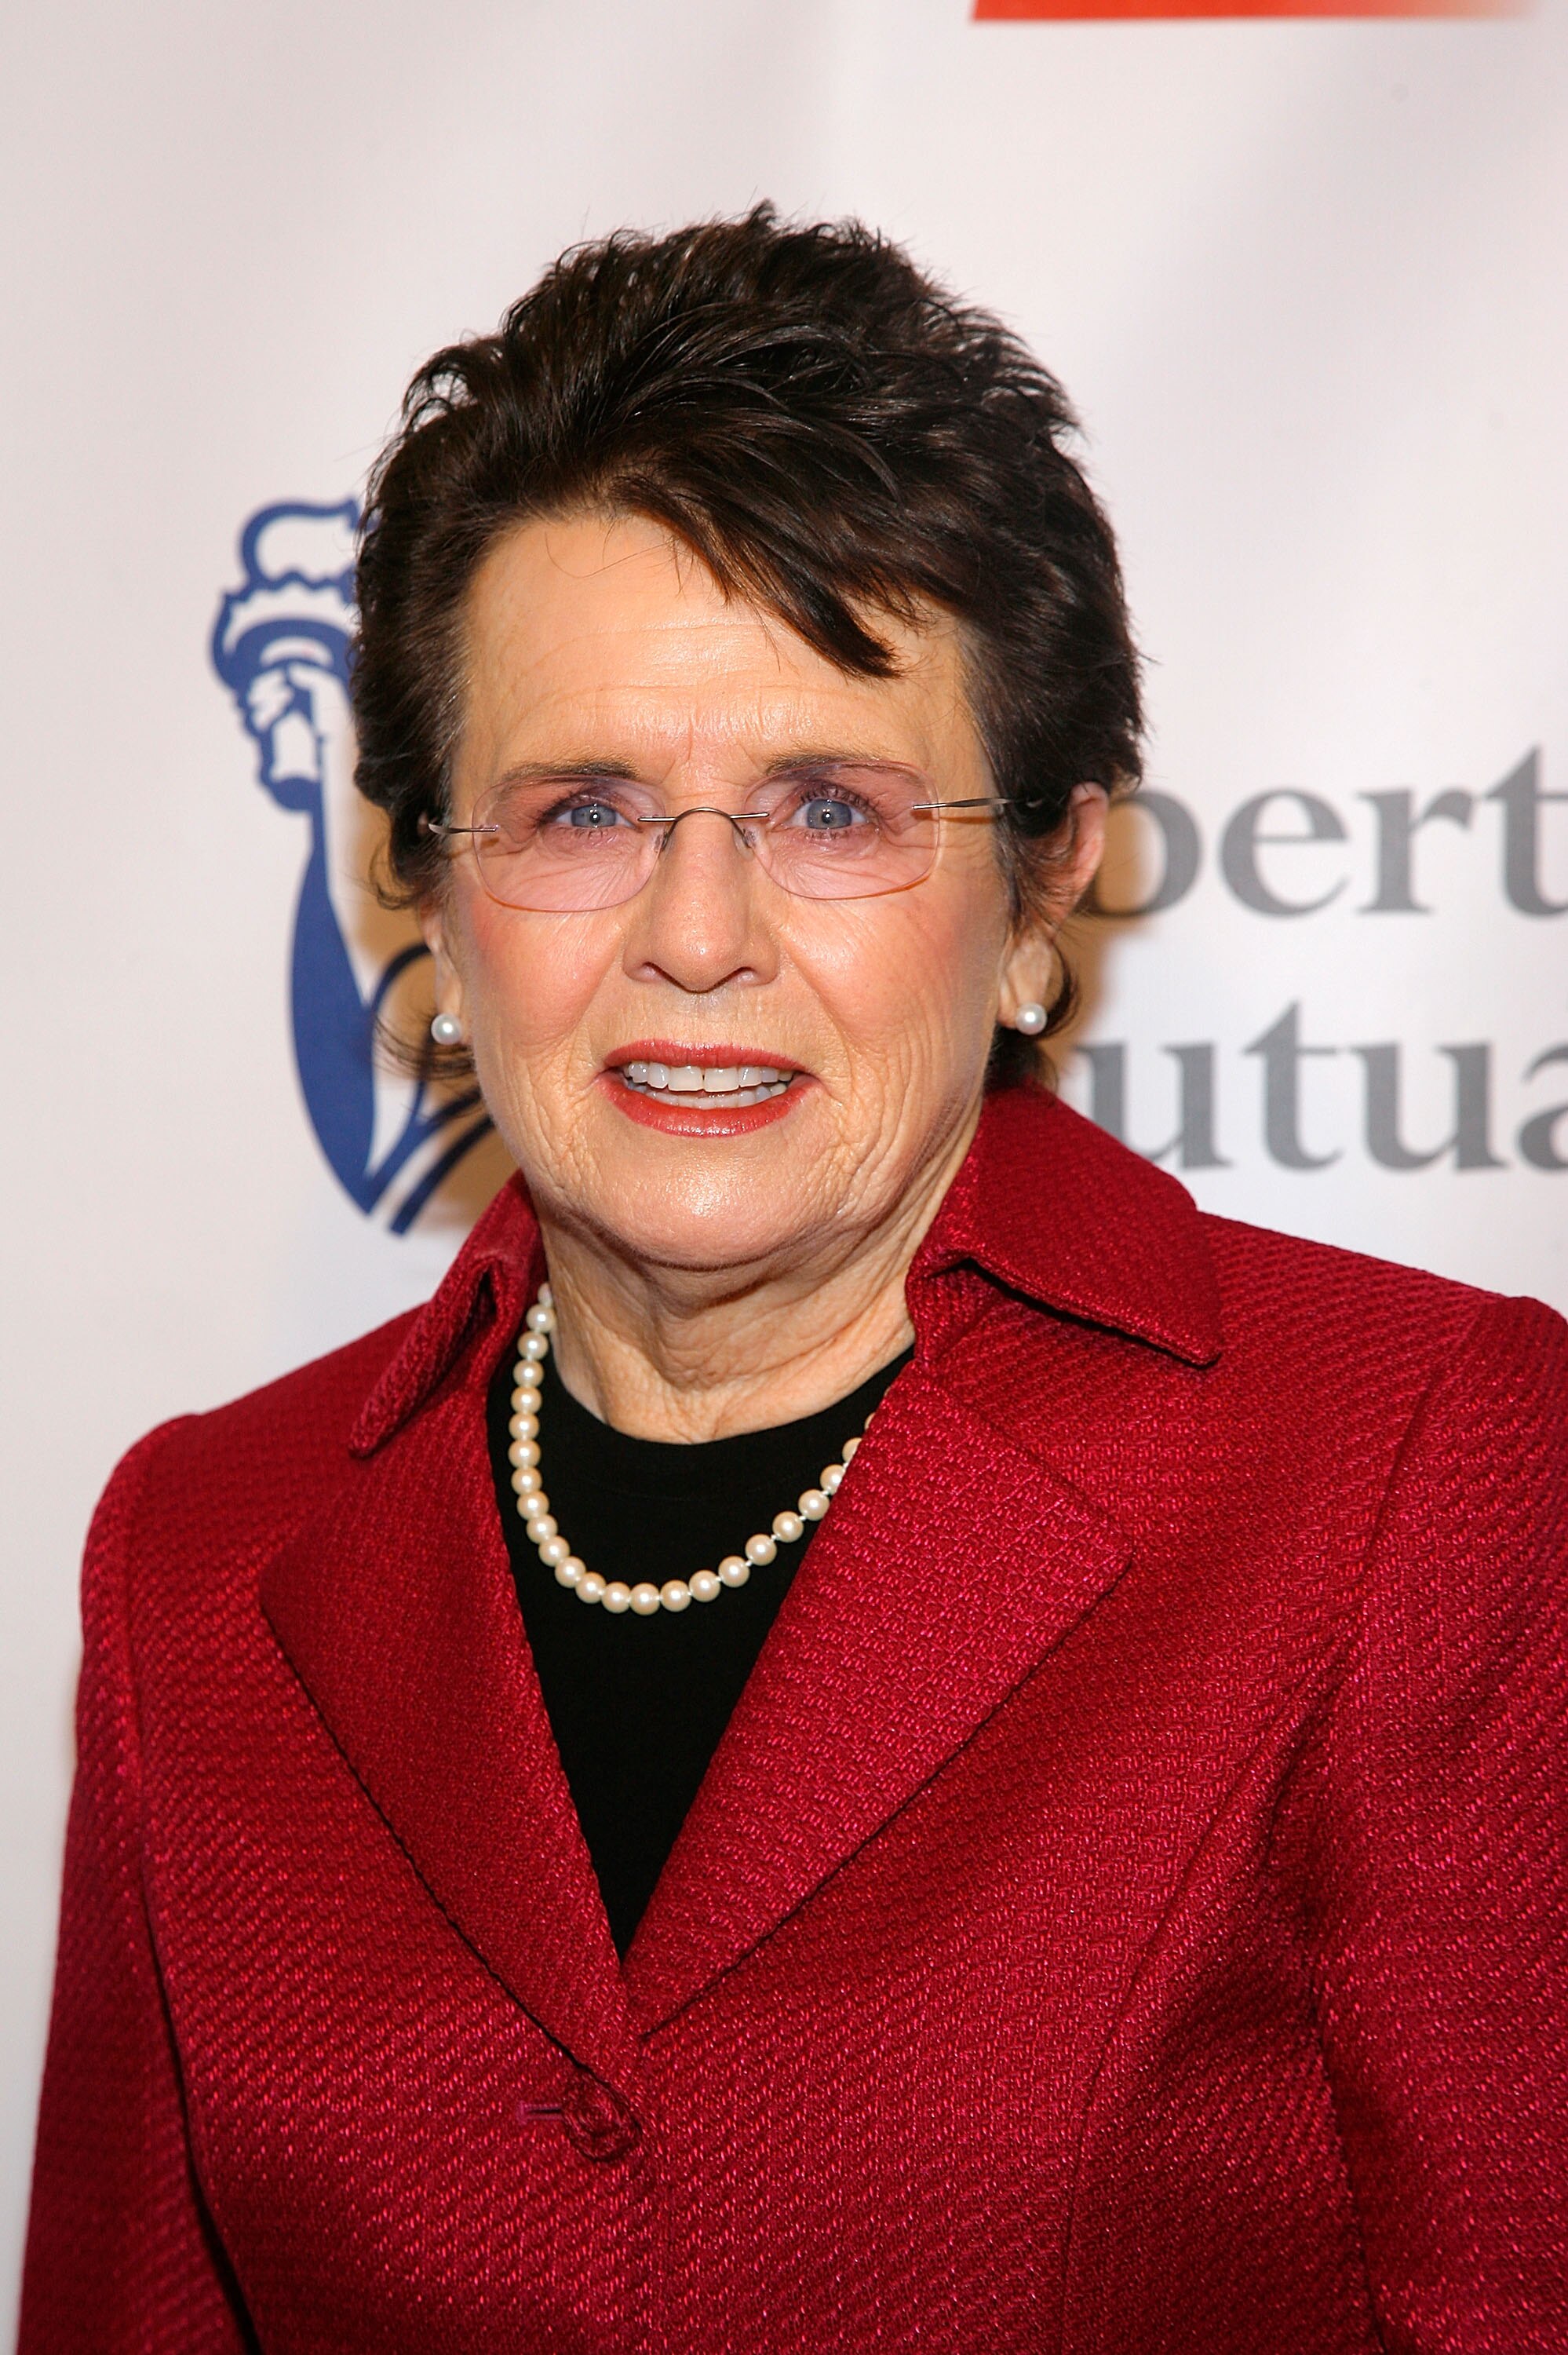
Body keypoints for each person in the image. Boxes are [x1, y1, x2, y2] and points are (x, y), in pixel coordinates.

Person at [20, 208, 1567, 2354]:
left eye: (830, 805)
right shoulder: (199, 1556)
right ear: (429, 897)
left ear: (1046, 883)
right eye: (579, 808)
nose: (696, 931)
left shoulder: (1404, 1464)